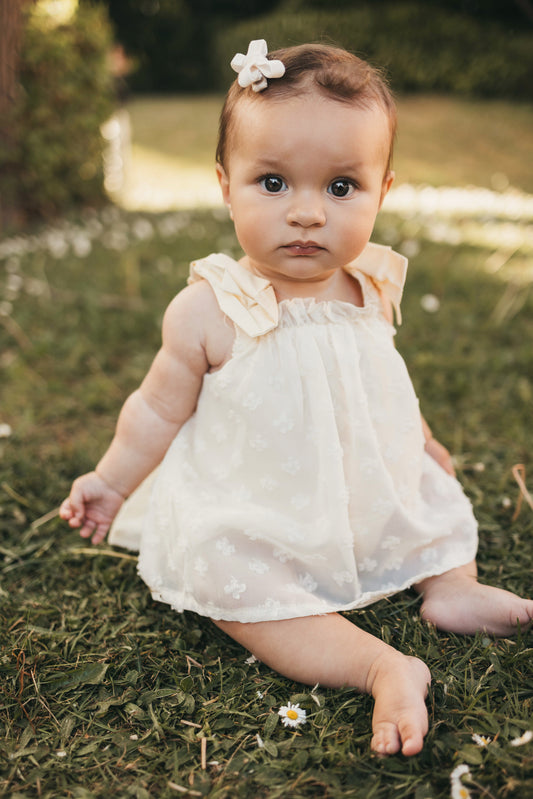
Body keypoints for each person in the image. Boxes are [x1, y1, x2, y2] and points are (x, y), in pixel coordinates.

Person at [60, 40, 533, 757]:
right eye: (274, 182)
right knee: (227, 577)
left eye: (341, 187)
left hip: (364, 487)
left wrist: (422, 439)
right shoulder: (211, 308)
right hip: (259, 504)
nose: (307, 213)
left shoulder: (368, 286)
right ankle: (380, 666)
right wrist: (111, 480)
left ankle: (451, 587)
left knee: (429, 497)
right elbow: (155, 410)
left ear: (382, 192)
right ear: (226, 186)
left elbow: (383, 383)